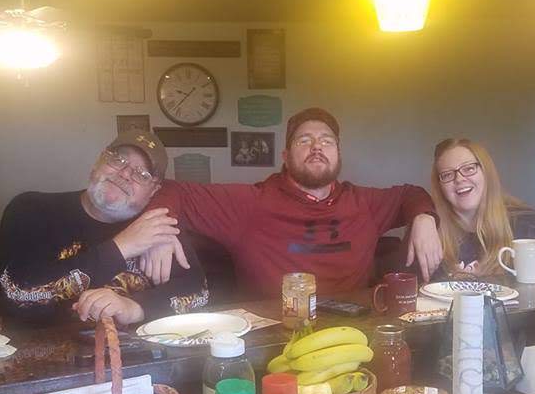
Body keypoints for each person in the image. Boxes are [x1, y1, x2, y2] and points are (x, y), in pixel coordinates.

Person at [142, 107, 443, 299]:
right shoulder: (250, 203)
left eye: (327, 141)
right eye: (304, 140)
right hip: (275, 339)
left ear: (338, 154)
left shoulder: (363, 202)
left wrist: (424, 217)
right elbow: (171, 189)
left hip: (356, 332)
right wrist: (159, 231)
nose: (317, 147)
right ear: (286, 157)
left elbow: (411, 194)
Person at [0, 129, 207, 328]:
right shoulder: (31, 209)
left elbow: (199, 294)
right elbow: (14, 291)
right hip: (37, 351)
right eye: (118, 160)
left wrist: (135, 308)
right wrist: (121, 247)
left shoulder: (158, 226)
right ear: (98, 162)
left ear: (153, 191)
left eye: (142, 174)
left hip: (132, 353)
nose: (125, 174)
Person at [430, 137, 535, 279]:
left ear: (486, 172)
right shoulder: (430, 233)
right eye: (447, 175)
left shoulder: (531, 227)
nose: (459, 179)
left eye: (469, 168)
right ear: (439, 186)